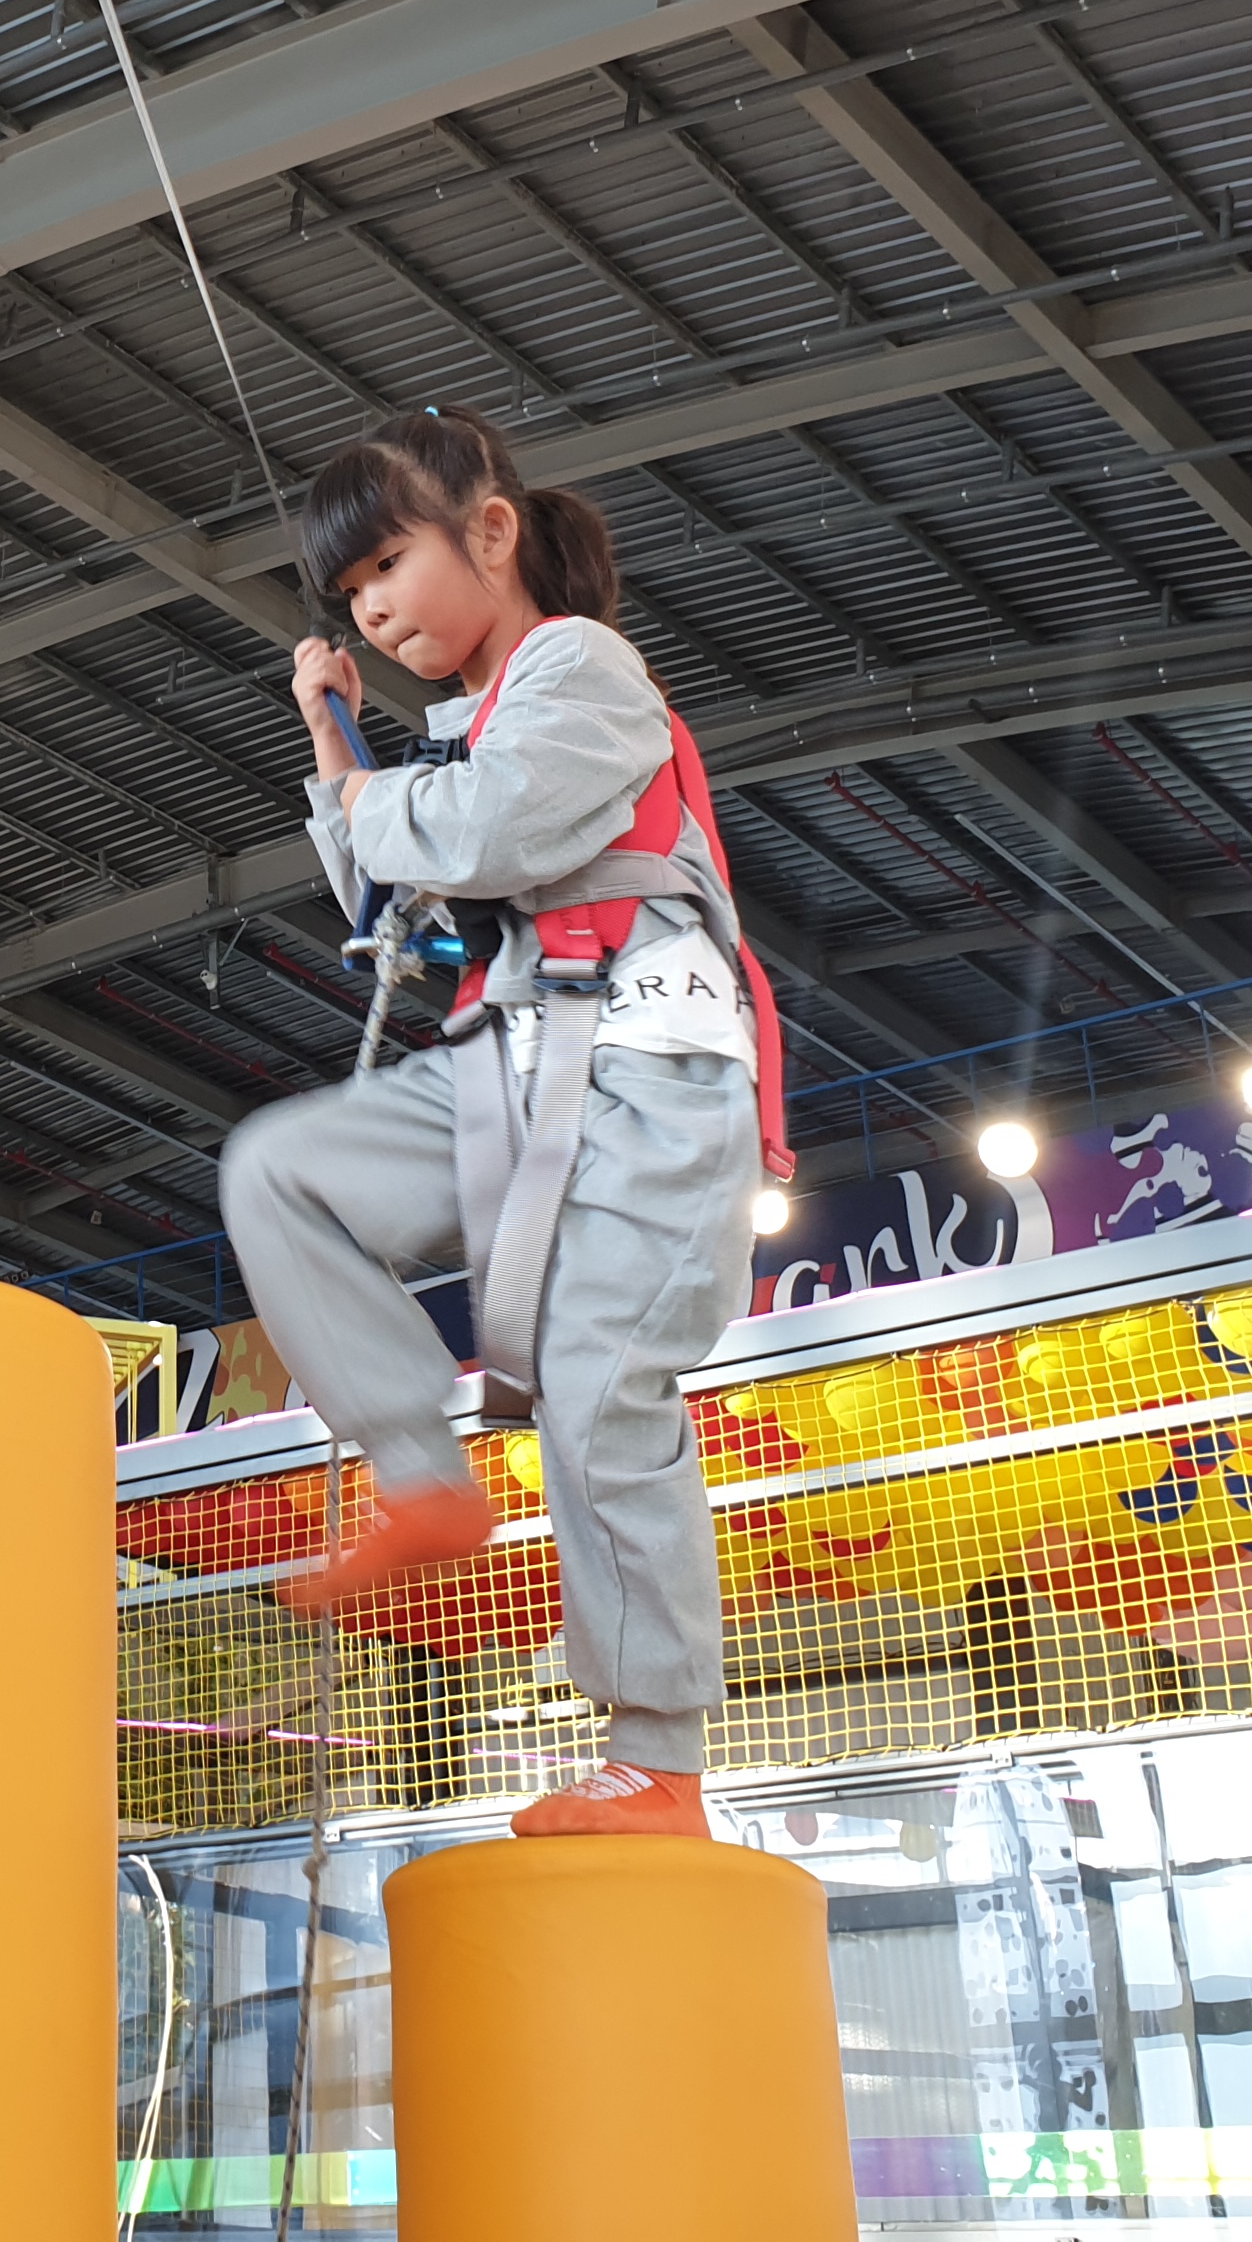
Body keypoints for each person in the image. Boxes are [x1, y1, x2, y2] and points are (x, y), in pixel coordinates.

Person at [219, 407, 782, 1839]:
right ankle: (423, 1478)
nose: (374, 608)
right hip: (513, 1065)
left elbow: (483, 834)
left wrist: (366, 785)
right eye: (352, 594)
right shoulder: (464, 735)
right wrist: (330, 739)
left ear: (489, 532)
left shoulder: (582, 669)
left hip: (649, 1077)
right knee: (281, 1172)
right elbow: (389, 899)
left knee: (601, 1394)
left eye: (388, 565)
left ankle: (657, 1760)